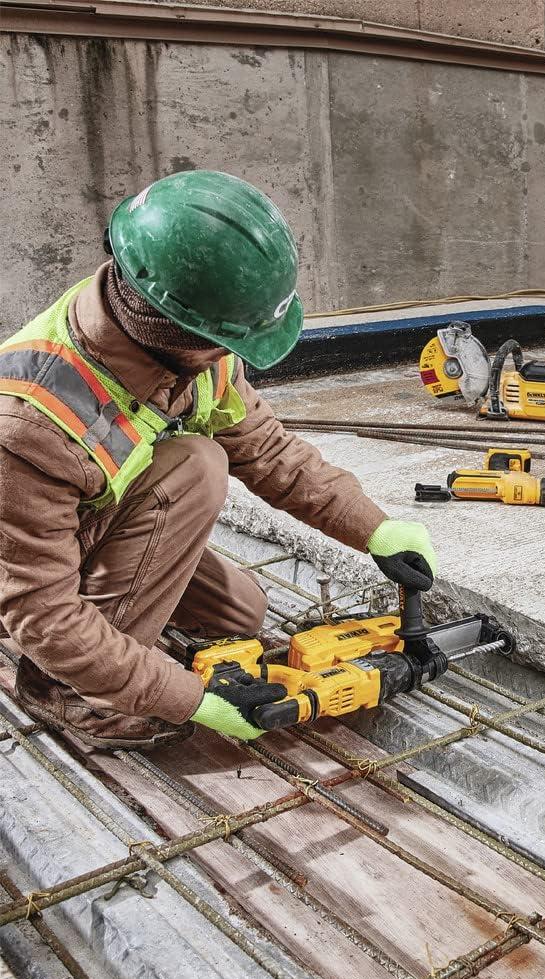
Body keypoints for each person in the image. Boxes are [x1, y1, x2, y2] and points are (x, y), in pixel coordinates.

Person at [0, 170, 437, 749]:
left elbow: (268, 450)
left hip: (88, 526)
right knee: (196, 465)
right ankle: (66, 692)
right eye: (225, 344)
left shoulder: (188, 341)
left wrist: (374, 528)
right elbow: (40, 611)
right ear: (172, 328)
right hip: (24, 565)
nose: (230, 360)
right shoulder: (30, 421)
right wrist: (188, 698)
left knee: (239, 616)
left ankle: (116, 646)